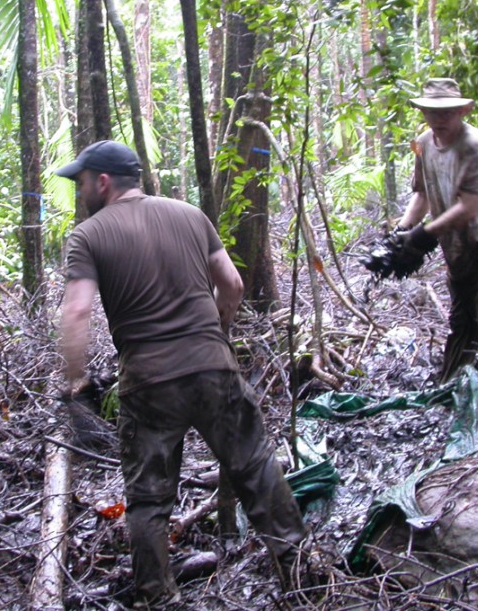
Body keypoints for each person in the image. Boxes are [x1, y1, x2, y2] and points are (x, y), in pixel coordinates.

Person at [56, 140, 309, 607]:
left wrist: (77, 382)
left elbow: (76, 314)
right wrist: (214, 334)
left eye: (83, 180)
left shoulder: (89, 236)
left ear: (104, 182)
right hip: (214, 367)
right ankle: (300, 572)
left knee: (150, 500)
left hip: (148, 384)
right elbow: (231, 284)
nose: (81, 189)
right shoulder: (191, 215)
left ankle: (159, 597)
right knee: (256, 467)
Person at [392, 78, 478, 383]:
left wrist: (423, 234)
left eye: (447, 112)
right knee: (462, 323)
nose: (439, 119)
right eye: (432, 112)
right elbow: (421, 194)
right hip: (456, 243)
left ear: (461, 111)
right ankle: (451, 388)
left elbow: (471, 205)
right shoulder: (422, 144)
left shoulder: (474, 144)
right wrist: (403, 229)